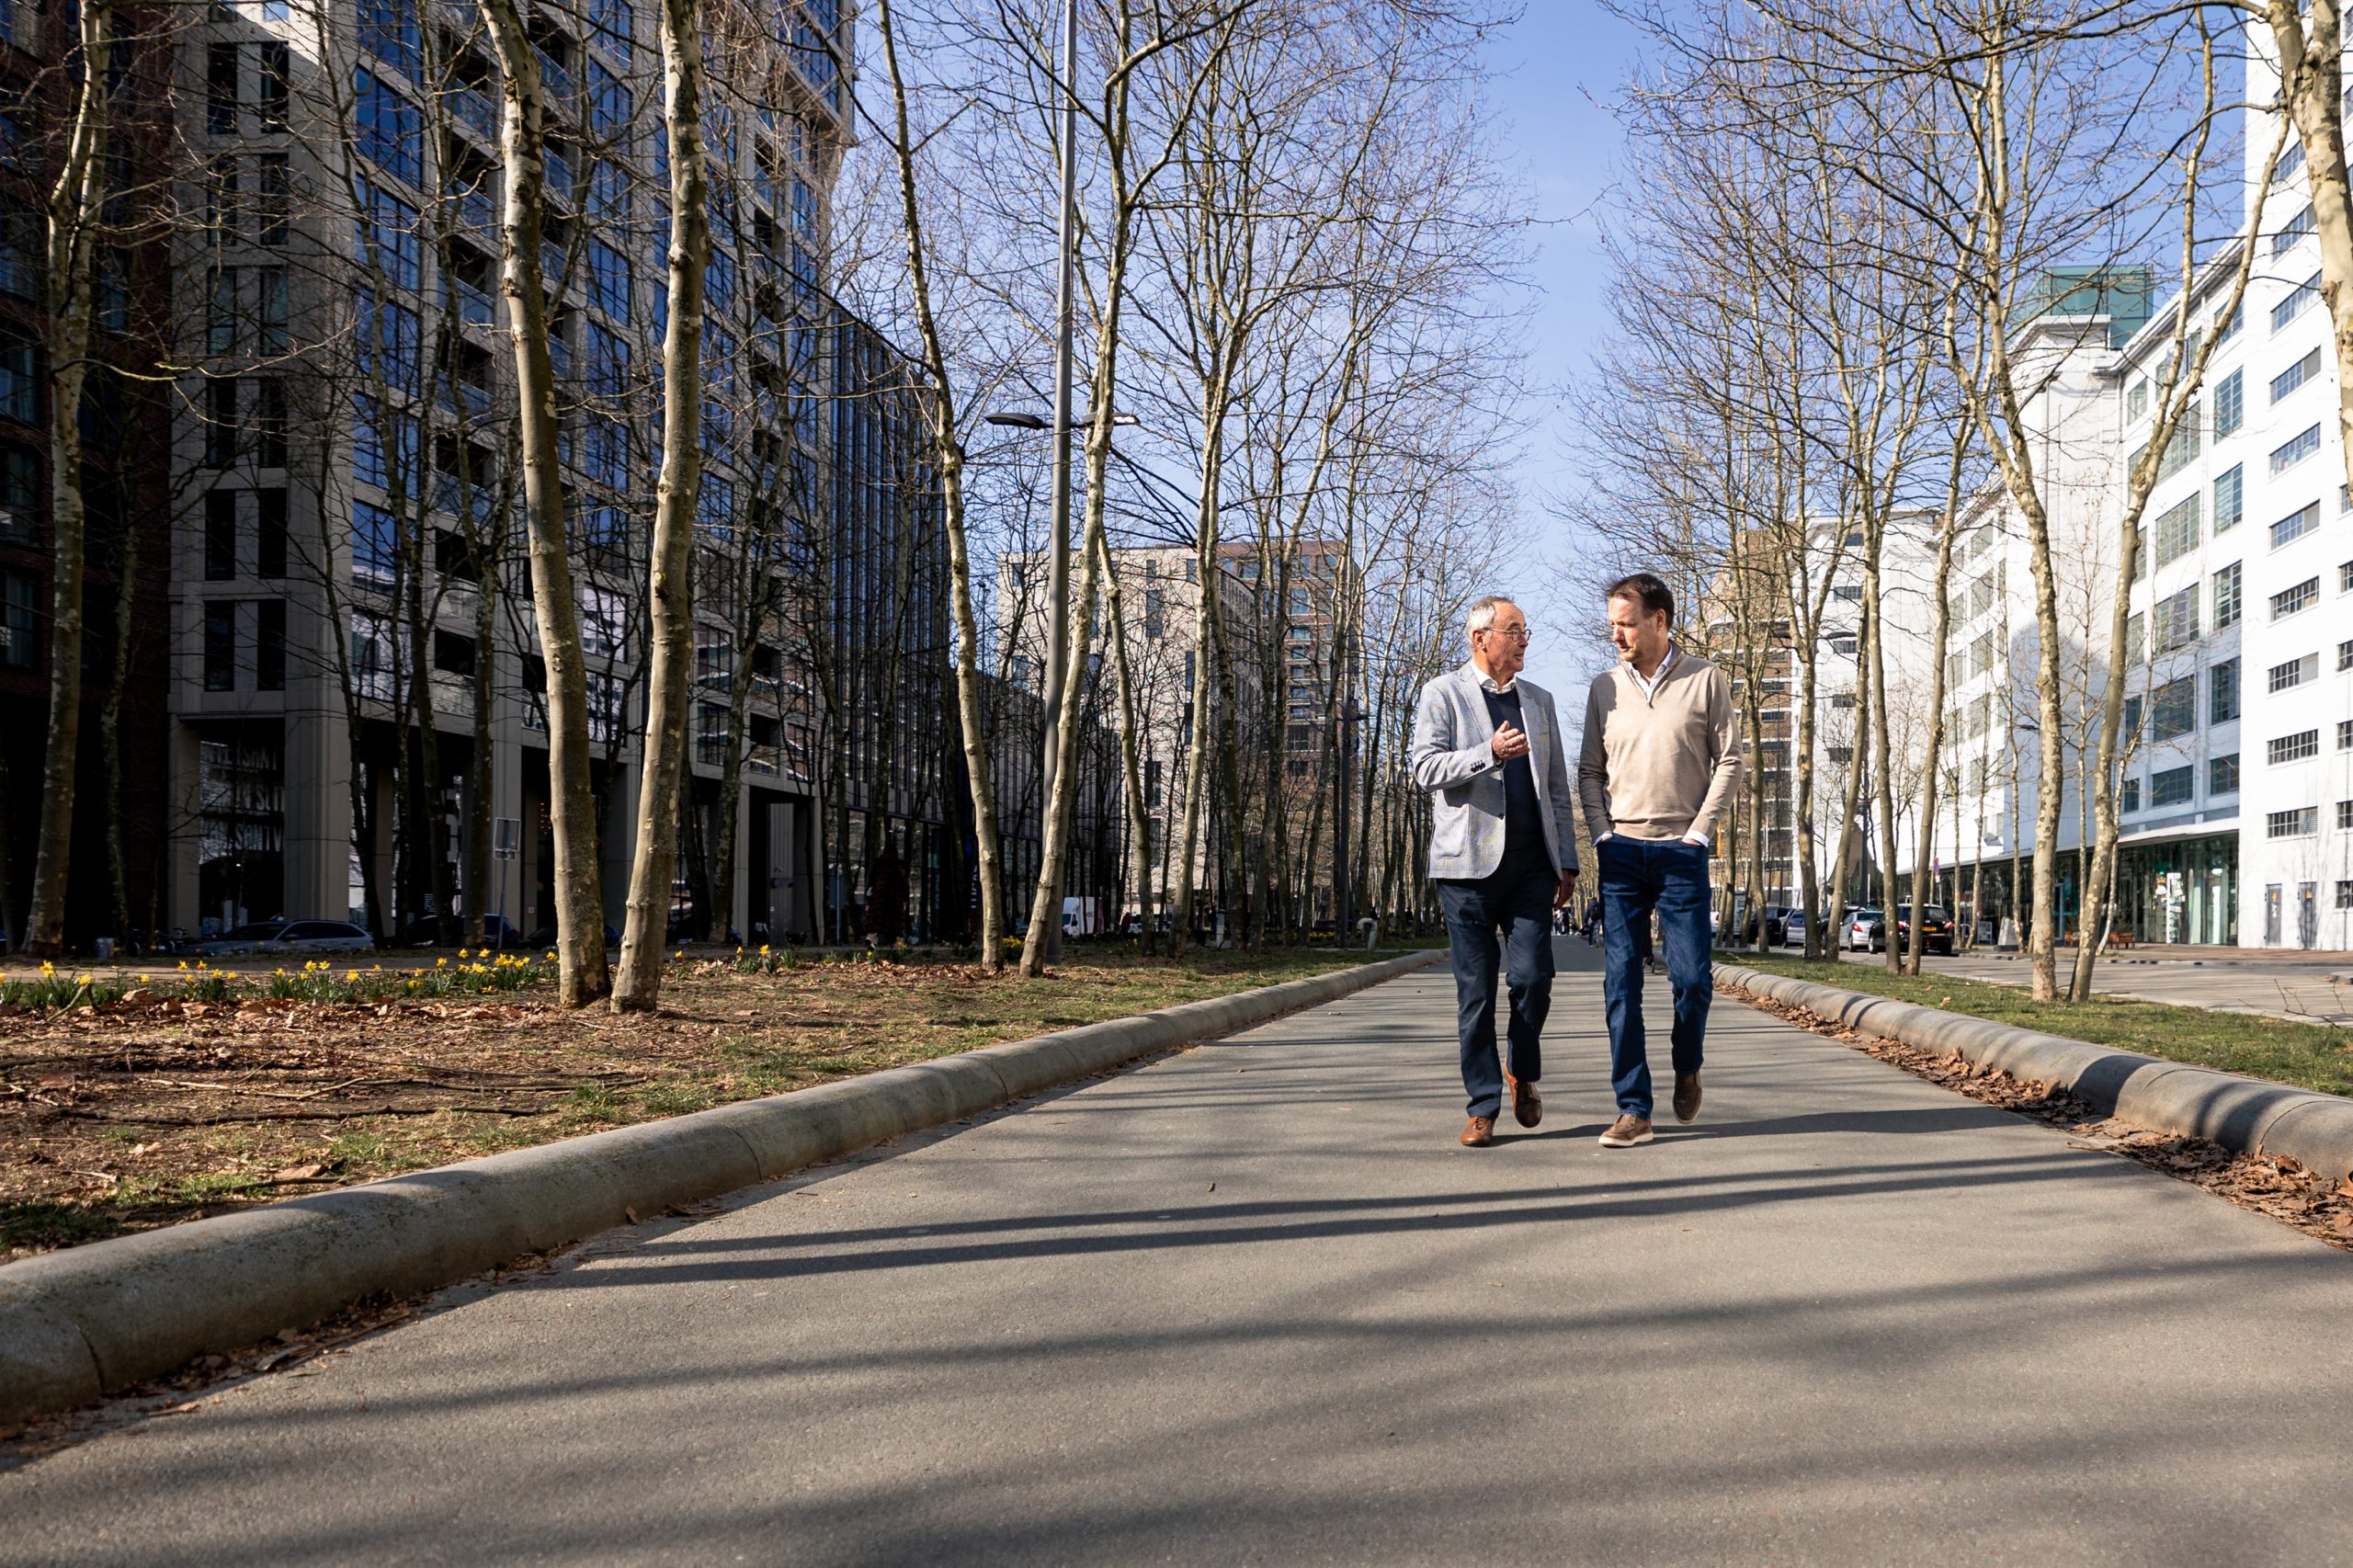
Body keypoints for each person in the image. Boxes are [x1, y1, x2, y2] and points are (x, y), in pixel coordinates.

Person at [1577, 573, 1742, 1149]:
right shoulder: (1604, 688)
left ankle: (1687, 1062)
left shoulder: (1705, 679)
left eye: (1625, 624)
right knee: (1620, 984)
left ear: (1659, 620)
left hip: (1682, 854)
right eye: (1612, 626)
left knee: (1693, 980)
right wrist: (1601, 835)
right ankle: (1633, 1107)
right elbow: (1590, 772)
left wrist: (1700, 833)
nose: (1617, 635)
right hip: (1621, 854)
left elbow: (1730, 761)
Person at [1410, 595, 1579, 1148]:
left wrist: (1568, 862)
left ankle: (1522, 1071)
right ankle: (1483, 1105)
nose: (1524, 641)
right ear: (1481, 638)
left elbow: (1556, 786)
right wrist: (1488, 752)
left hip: (1533, 868)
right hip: (1467, 871)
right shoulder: (1443, 693)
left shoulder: (1540, 701)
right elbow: (1424, 768)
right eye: (1514, 631)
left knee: (1533, 979)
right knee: (1476, 994)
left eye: (1525, 632)